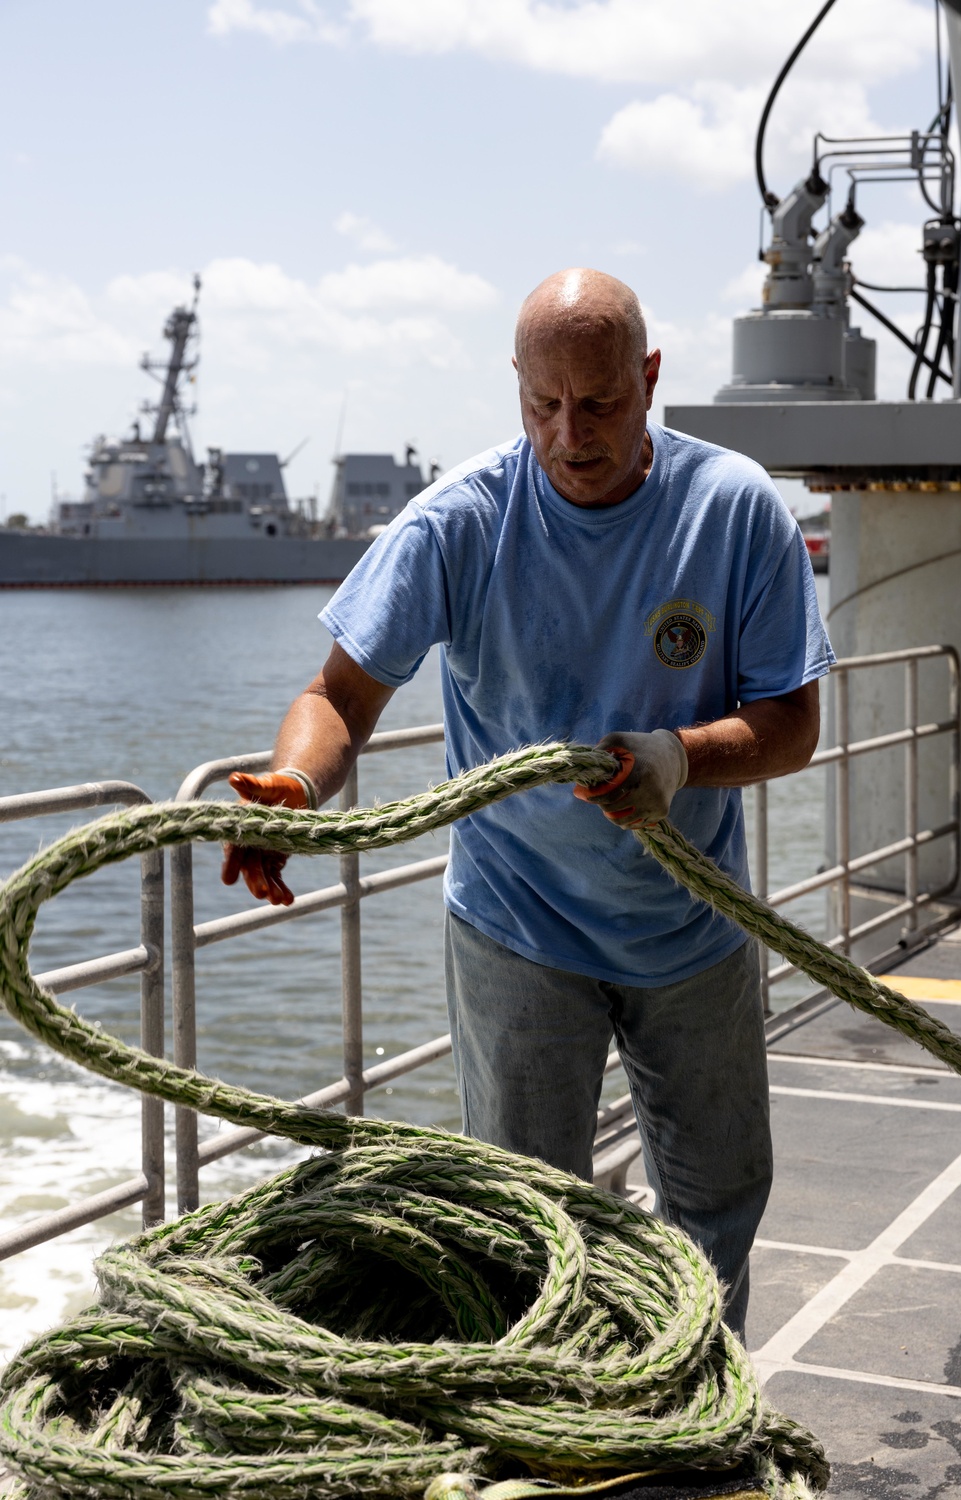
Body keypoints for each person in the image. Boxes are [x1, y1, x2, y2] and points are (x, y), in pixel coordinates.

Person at [221, 268, 833, 1339]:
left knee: (716, 1209)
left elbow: (790, 721)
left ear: (648, 380)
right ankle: (555, 1425)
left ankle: (690, 1407)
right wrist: (297, 786)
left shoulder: (733, 509)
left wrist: (675, 758)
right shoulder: (456, 523)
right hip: (517, 928)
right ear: (515, 387)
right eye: (541, 404)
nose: (568, 433)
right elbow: (338, 694)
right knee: (528, 1229)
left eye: (597, 402)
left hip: (692, 927)